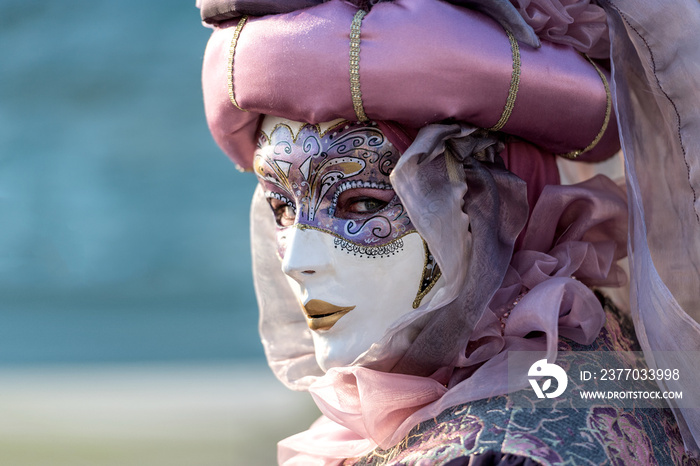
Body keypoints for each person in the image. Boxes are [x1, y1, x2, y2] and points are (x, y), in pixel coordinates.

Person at [198, 0, 700, 464]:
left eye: (363, 202)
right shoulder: (591, 352)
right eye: (283, 207)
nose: (296, 260)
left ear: (489, 201)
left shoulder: (499, 453)